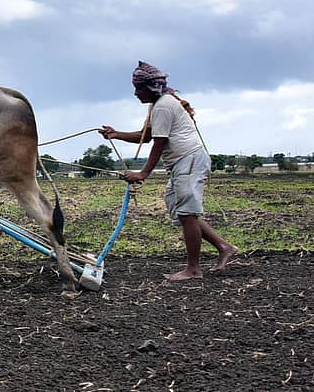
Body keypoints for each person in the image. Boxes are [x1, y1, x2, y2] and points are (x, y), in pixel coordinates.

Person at [100, 61, 237, 281]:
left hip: (189, 160)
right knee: (183, 212)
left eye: (138, 88)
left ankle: (193, 269)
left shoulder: (163, 106)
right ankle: (224, 247)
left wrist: (143, 173)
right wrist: (116, 134)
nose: (135, 93)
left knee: (187, 213)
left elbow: (159, 143)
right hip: (183, 162)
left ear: (151, 88)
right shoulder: (157, 105)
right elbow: (147, 136)